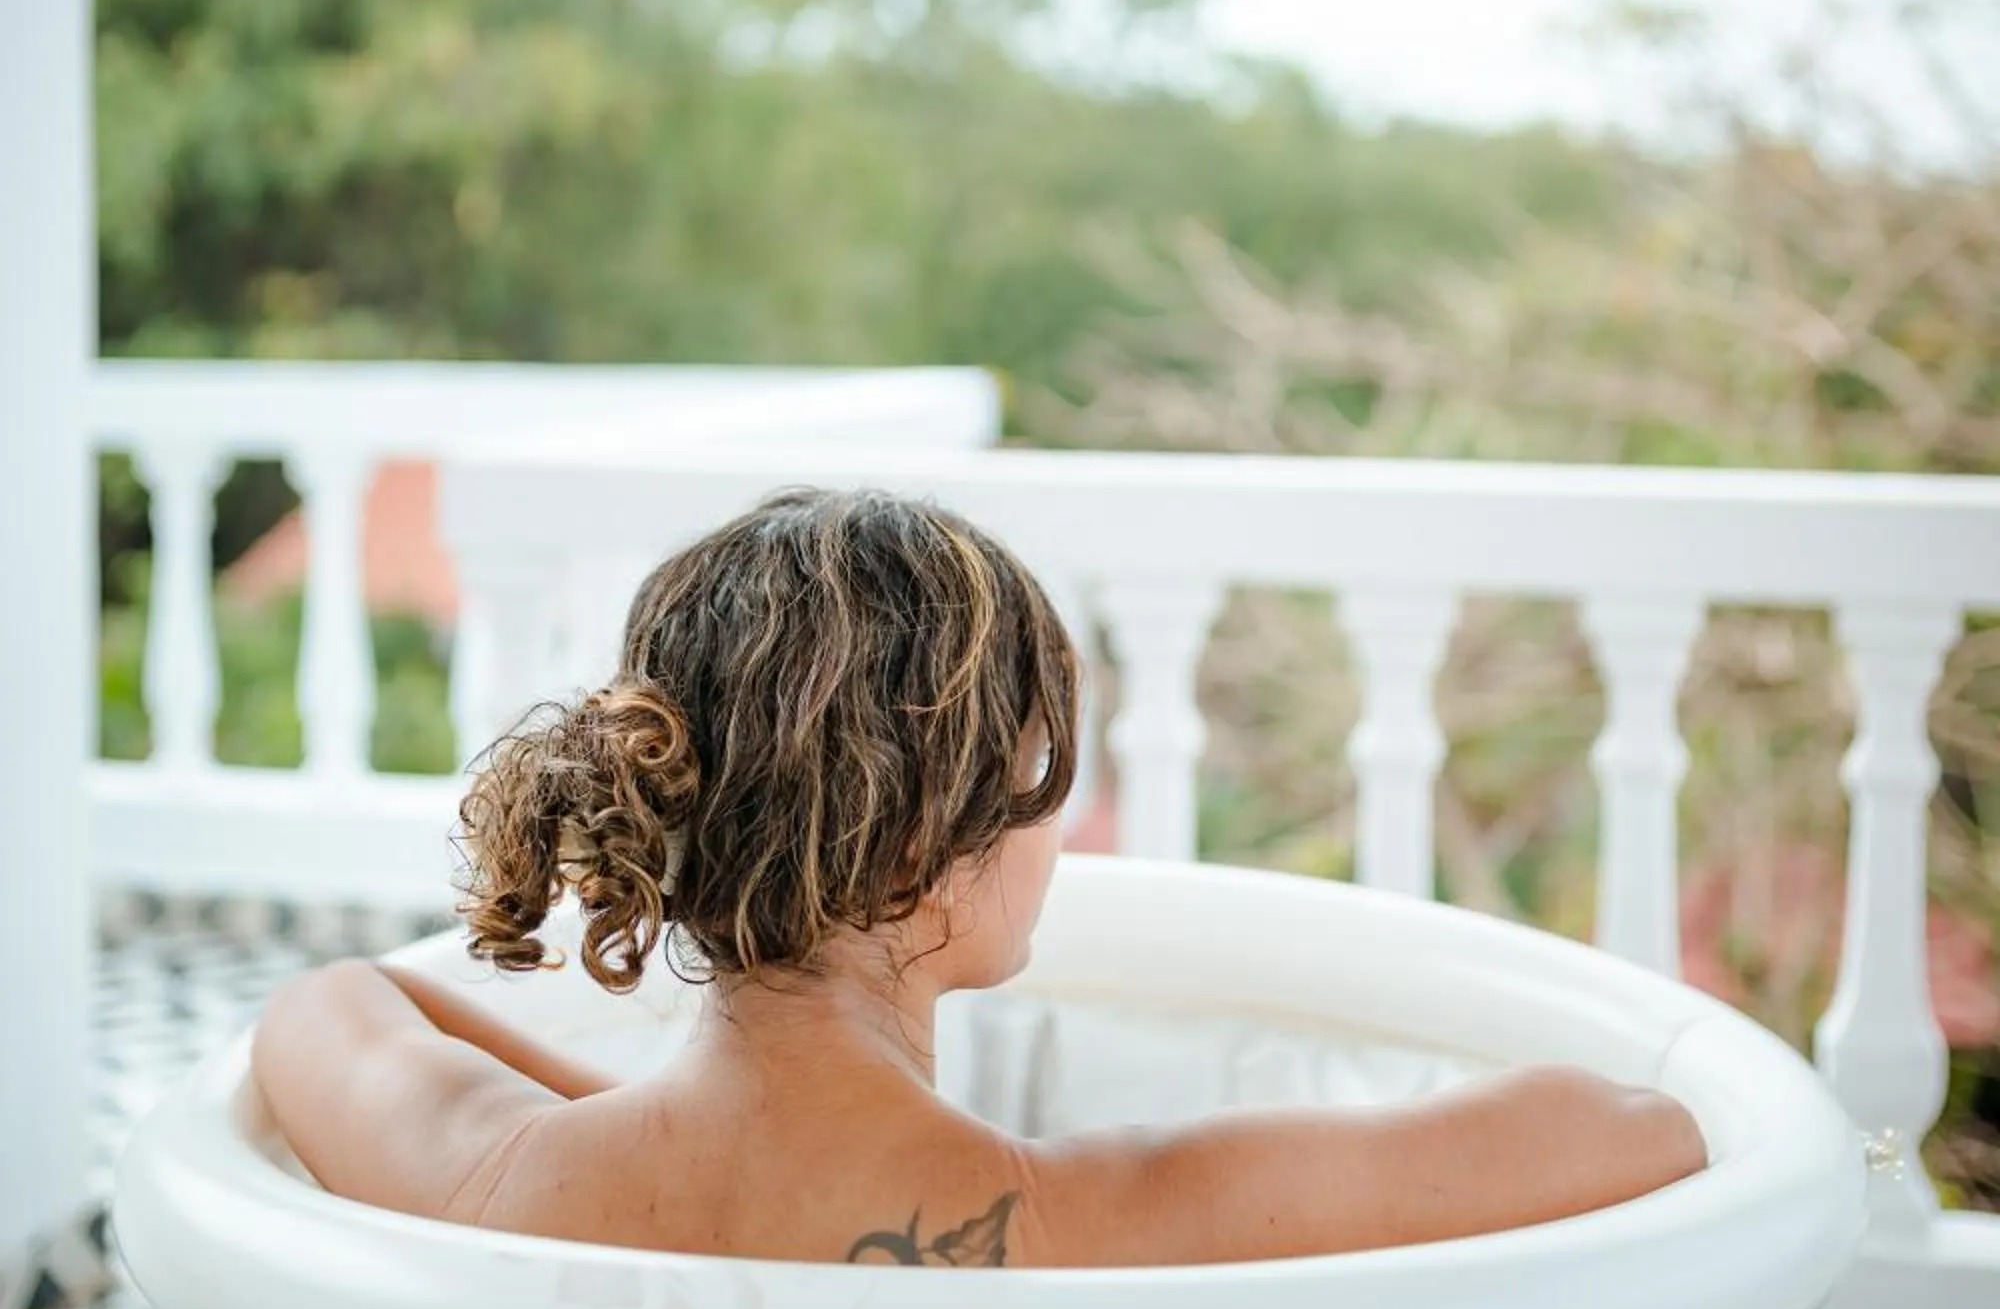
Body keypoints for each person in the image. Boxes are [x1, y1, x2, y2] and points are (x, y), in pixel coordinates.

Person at [251, 485, 1706, 1266]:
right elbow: (1641, 1131)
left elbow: (329, 1005)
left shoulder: (487, 1172)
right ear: (923, 855)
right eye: (1041, 774)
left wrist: (627, 1124)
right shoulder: (1095, 1222)